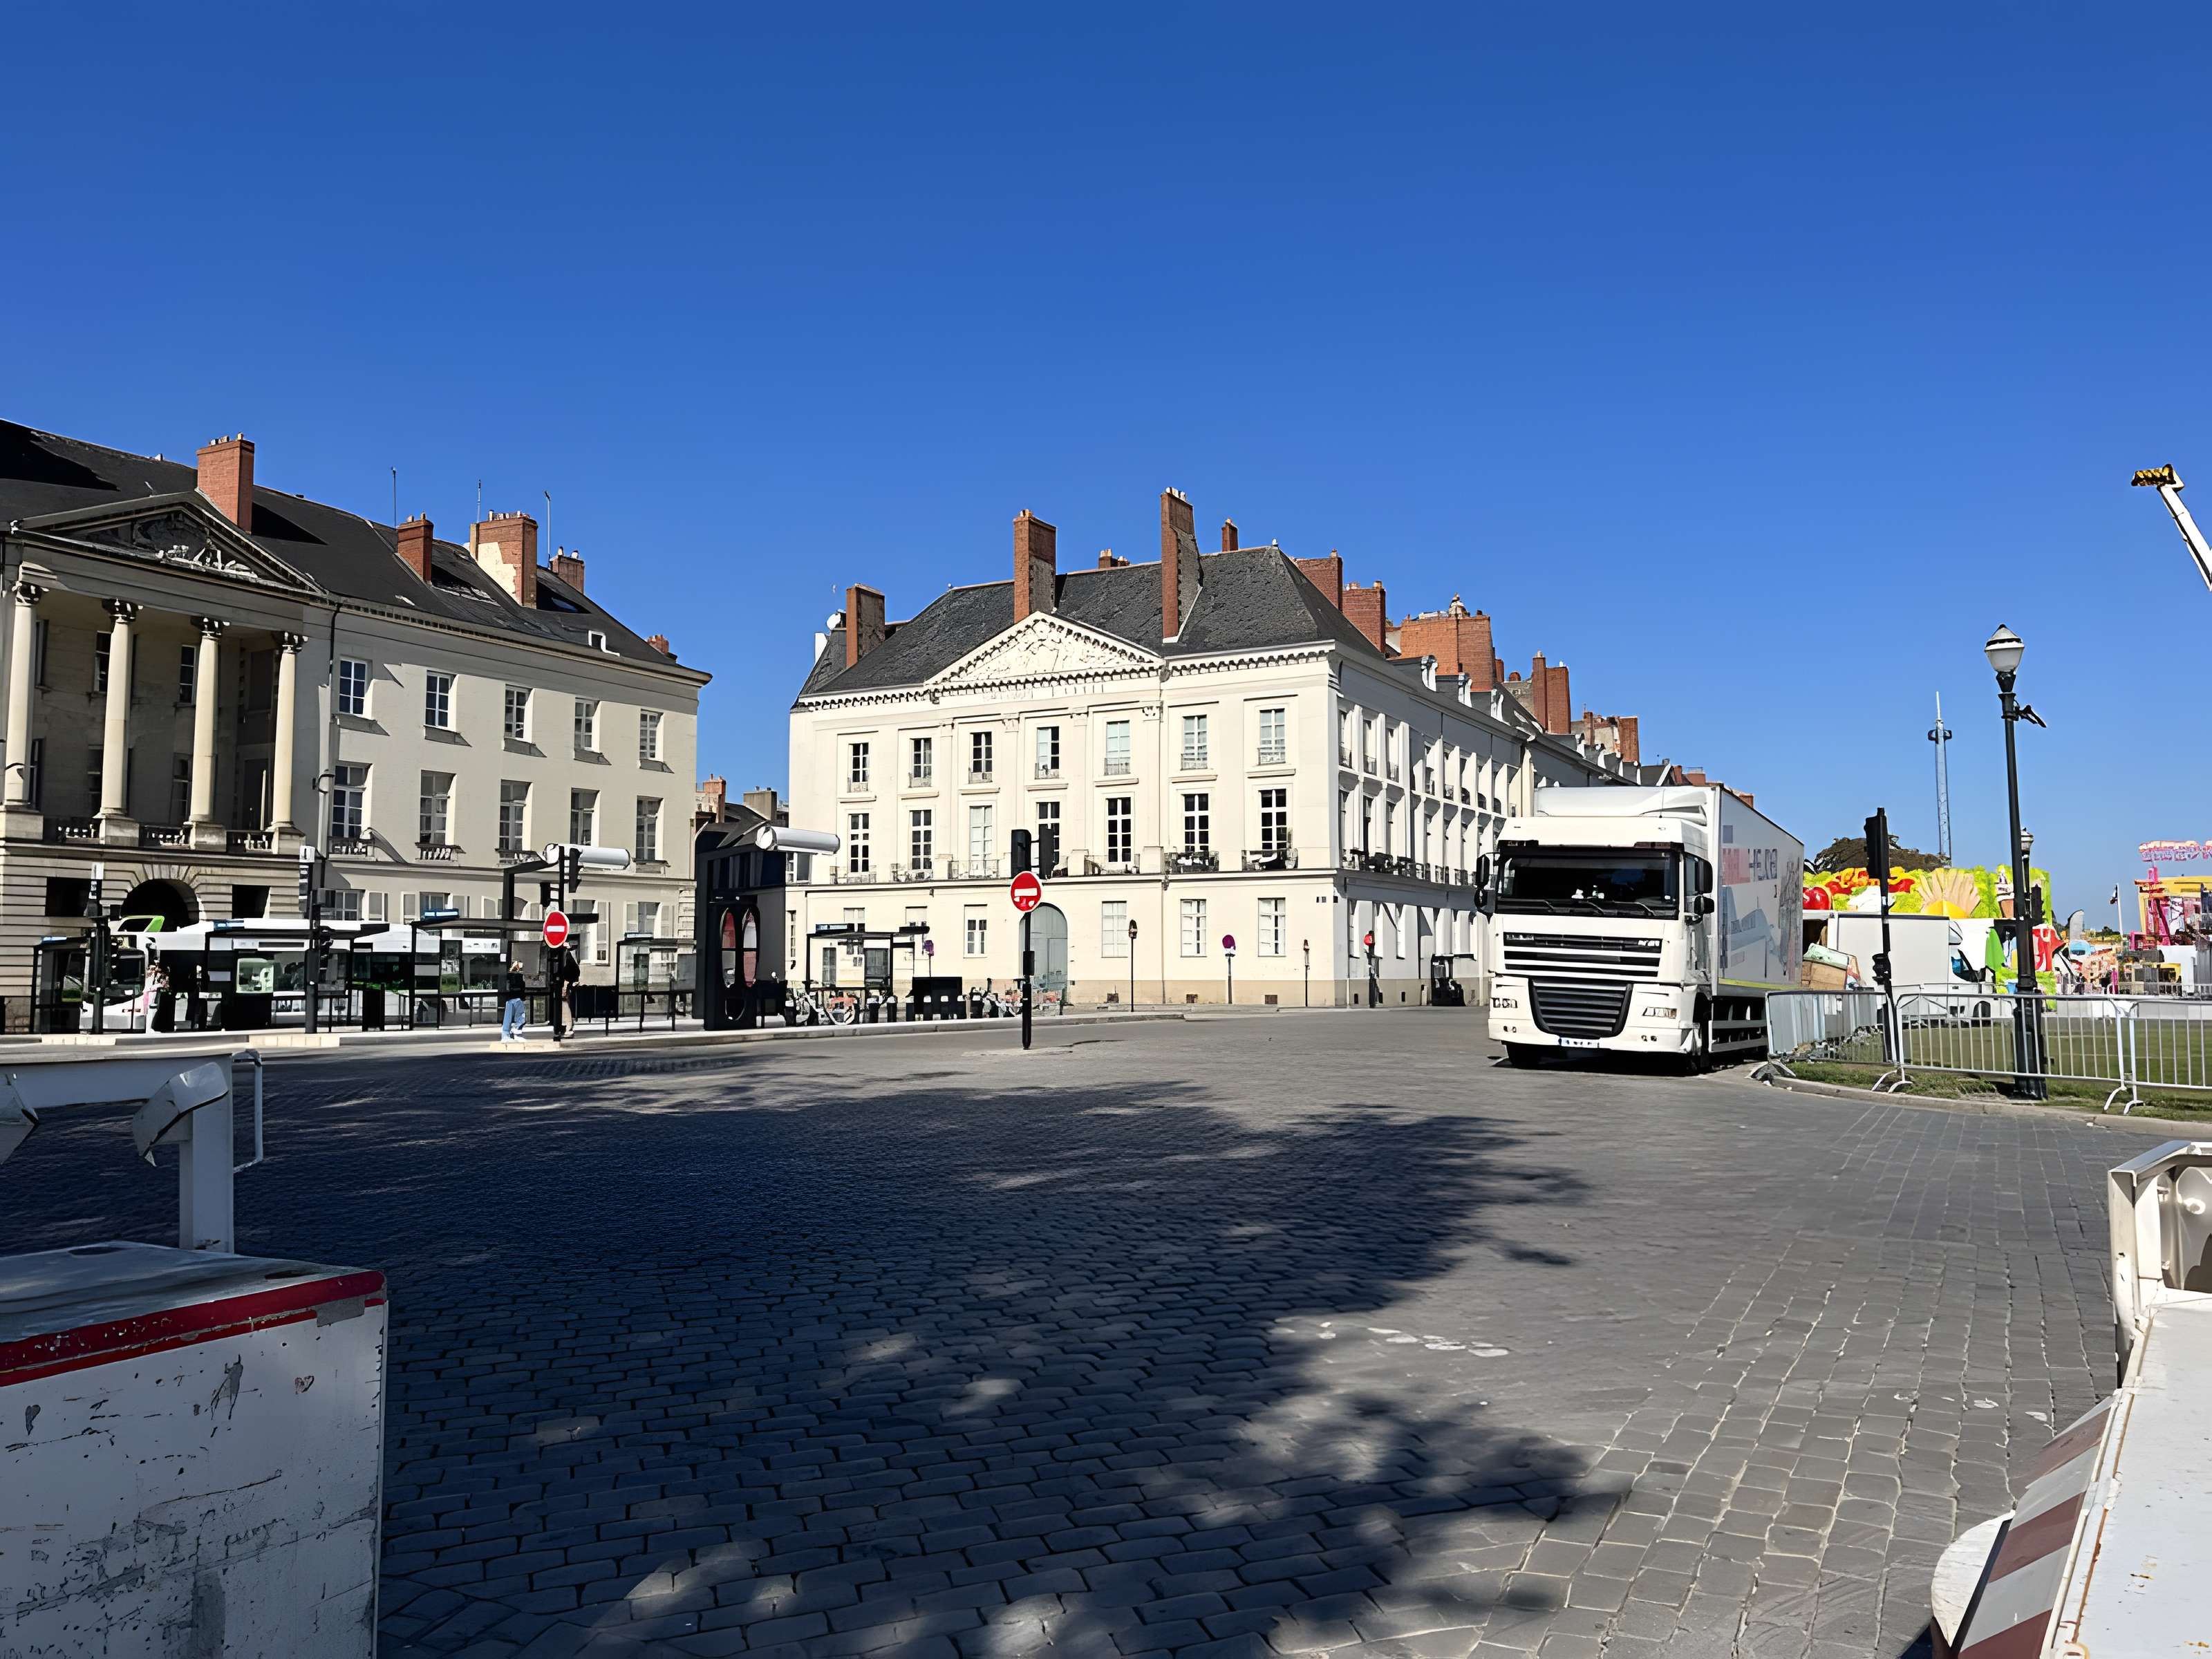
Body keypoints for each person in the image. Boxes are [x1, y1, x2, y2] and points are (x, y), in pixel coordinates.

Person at [500, 960, 528, 1042]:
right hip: (518, 998)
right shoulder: (519, 976)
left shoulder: (508, 976)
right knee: (520, 1017)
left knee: (508, 1018)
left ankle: (506, 1035)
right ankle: (516, 1034)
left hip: (510, 998)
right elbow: (522, 988)